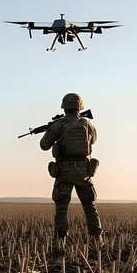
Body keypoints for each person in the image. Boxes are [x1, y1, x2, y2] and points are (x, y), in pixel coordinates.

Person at [40, 93, 102, 243]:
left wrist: (51, 130)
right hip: (84, 172)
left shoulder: (58, 125)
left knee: (61, 208)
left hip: (64, 171)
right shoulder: (87, 124)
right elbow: (93, 140)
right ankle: (97, 238)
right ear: (79, 106)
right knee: (89, 206)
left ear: (64, 107)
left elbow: (44, 145)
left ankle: (61, 240)